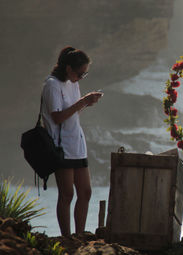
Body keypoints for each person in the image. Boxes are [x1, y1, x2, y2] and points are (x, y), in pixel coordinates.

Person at [41, 46, 103, 236]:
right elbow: (57, 117)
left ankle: (79, 234)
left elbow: (72, 112)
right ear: (68, 68)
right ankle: (67, 237)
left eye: (84, 74)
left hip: (76, 142)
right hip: (61, 145)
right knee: (67, 194)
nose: (81, 77)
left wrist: (86, 102)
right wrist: (83, 101)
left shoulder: (72, 83)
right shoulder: (52, 85)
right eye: (79, 73)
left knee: (85, 192)